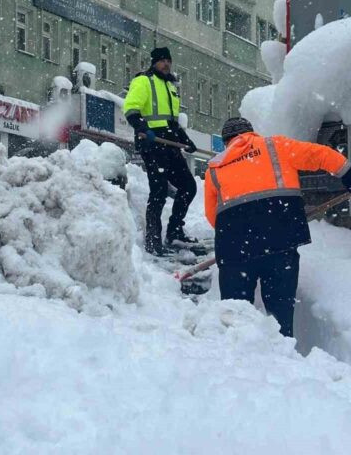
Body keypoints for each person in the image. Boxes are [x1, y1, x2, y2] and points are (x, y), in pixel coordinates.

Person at [204, 117, 351, 337]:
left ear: (226, 142)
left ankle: (238, 360)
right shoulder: (275, 146)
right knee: (280, 313)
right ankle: (283, 353)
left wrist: (242, 234)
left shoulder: (214, 168)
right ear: (251, 133)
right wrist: (348, 174)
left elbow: (212, 215)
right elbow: (321, 155)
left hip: (235, 249)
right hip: (280, 241)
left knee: (233, 317)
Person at [123, 46, 199, 256]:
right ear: (154, 62)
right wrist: (143, 128)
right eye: (162, 60)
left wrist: (186, 140)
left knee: (189, 187)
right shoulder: (143, 81)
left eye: (169, 60)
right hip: (153, 144)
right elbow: (130, 110)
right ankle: (153, 241)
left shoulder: (170, 87)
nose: (166, 64)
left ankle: (174, 231)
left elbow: (172, 122)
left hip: (170, 144)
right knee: (158, 192)